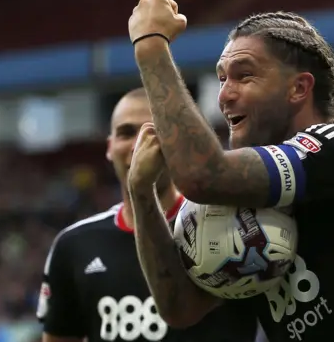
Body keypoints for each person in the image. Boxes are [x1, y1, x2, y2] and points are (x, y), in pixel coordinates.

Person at [125, 0, 334, 342]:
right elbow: (180, 308)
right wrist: (142, 195)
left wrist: (151, 46)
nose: (224, 95)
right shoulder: (244, 195)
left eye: (244, 76)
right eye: (222, 79)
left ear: (298, 88)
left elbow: (203, 175)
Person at [37, 88, 258, 342]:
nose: (139, 145)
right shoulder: (73, 245)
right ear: (109, 148)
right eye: (126, 133)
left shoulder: (229, 225)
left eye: (155, 131)